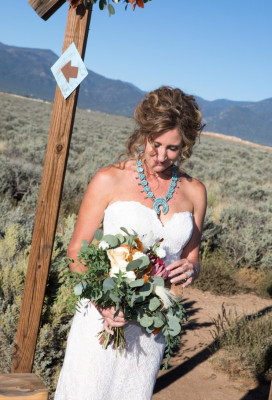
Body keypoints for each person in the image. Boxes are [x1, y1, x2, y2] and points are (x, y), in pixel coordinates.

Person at [54, 86, 207, 400]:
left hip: (151, 325)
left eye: (173, 148)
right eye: (156, 143)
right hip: (102, 320)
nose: (161, 156)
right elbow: (76, 252)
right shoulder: (108, 179)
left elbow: (193, 257)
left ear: (186, 146)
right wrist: (103, 302)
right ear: (144, 133)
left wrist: (189, 270)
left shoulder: (195, 192)